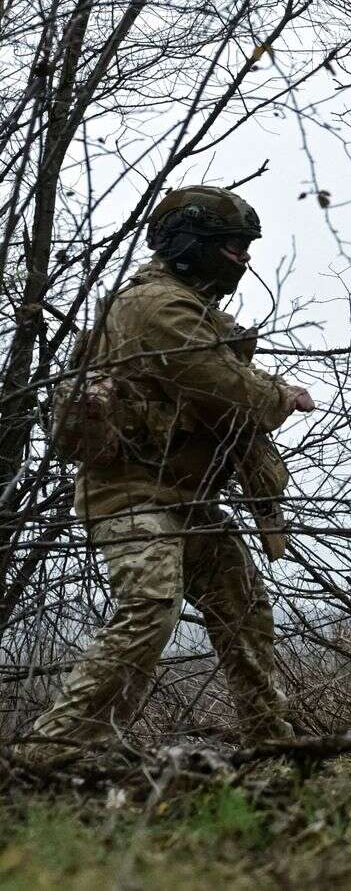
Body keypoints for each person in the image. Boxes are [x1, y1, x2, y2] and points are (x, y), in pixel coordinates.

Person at [32, 186, 315, 753]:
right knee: (150, 611)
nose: (244, 259)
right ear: (192, 245)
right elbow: (223, 386)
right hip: (132, 496)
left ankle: (272, 746)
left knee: (243, 609)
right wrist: (281, 395)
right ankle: (49, 754)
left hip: (183, 498)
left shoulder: (187, 305)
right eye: (233, 247)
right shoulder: (157, 306)